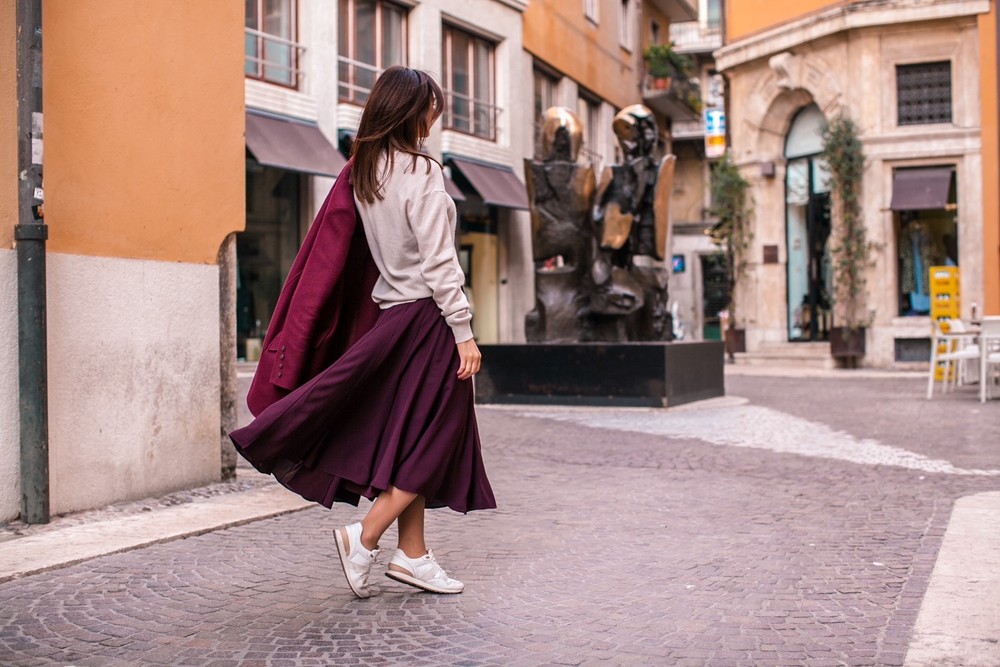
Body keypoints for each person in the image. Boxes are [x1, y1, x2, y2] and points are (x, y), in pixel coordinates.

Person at [229, 66, 496, 599]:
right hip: (428, 320)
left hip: (394, 318)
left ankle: (414, 555)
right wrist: (463, 331)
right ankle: (365, 534)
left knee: (411, 435)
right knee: (440, 434)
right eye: (430, 108)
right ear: (411, 110)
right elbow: (440, 261)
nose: (433, 118)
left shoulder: (366, 169)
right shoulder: (422, 171)